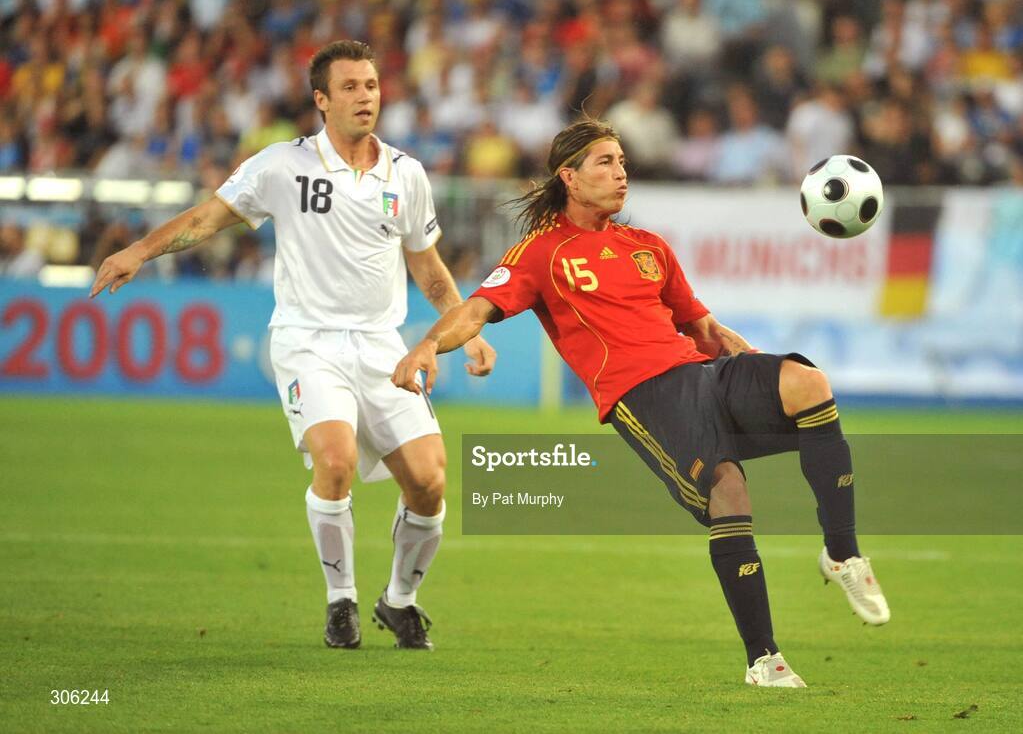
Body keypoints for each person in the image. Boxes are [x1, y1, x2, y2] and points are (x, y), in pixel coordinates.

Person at [391, 119, 889, 685]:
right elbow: (477, 310)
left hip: (703, 372)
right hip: (643, 397)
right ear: (569, 177)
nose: (620, 171)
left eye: (622, 160)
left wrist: (731, 344)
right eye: (605, 162)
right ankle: (764, 660)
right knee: (728, 489)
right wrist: (431, 343)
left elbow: (699, 323)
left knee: (808, 382)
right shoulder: (541, 254)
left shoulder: (648, 248)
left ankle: (843, 554)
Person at [90, 40, 496, 651]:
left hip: (382, 345)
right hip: (308, 342)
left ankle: (400, 600)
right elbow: (206, 218)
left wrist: (465, 331)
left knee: (432, 482)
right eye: (352, 87)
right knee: (334, 462)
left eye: (372, 84)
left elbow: (429, 269)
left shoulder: (405, 174)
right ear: (321, 100)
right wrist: (138, 252)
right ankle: (341, 602)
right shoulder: (282, 165)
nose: (366, 96)